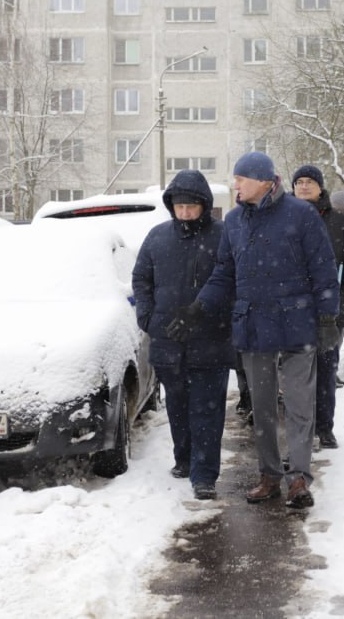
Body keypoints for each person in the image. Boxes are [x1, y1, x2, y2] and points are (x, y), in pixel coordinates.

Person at [169, 151, 340, 509]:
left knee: (298, 405)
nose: (236, 185)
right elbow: (224, 274)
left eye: (240, 179)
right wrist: (199, 307)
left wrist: (327, 318)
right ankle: (270, 475)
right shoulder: (234, 221)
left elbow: (323, 269)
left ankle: (298, 480)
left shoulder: (300, 214)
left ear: (264, 181)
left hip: (297, 323)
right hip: (254, 325)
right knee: (261, 407)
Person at [132, 169, 234, 501]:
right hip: (167, 341)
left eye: (192, 206)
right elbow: (141, 279)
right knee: (177, 405)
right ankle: (184, 459)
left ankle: (204, 475)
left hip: (210, 340)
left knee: (206, 409)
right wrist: (147, 317)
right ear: (171, 206)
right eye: (180, 206)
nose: (186, 212)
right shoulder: (157, 237)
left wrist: (213, 318)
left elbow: (232, 283)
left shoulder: (223, 236)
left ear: (204, 205)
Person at [291, 166, 344, 450]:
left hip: (329, 312)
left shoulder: (338, 221)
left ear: (321, 187)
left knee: (325, 370)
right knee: (296, 376)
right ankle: (301, 429)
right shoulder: (281, 218)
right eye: (299, 182)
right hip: (291, 312)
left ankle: (324, 427)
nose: (304, 186)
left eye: (310, 182)